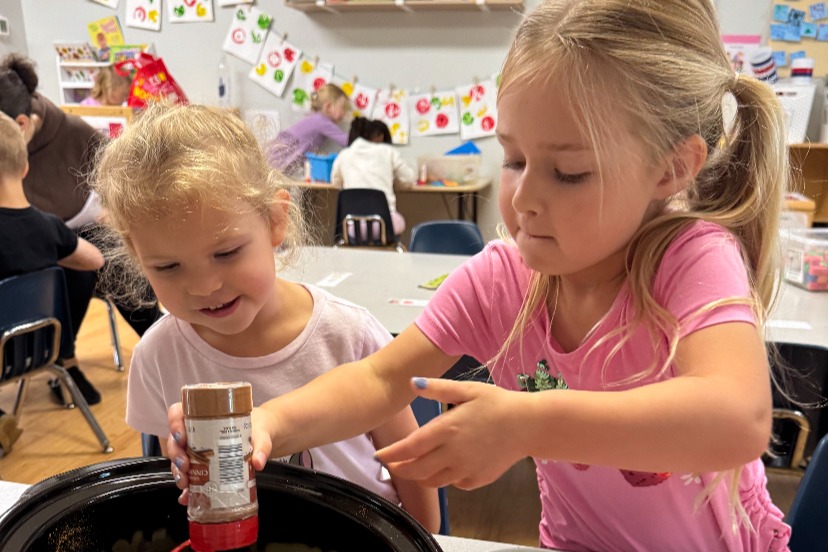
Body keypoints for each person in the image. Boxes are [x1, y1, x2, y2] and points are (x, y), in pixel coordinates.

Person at [168, 0, 792, 549]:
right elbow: (381, 378)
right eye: (515, 158)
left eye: (569, 172)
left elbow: (736, 420)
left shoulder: (691, 257)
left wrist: (525, 422)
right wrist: (268, 425)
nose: (522, 199)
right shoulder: (508, 279)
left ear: (671, 168)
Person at [91, 102, 440, 533]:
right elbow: (169, 464)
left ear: (276, 220)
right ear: (137, 254)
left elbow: (407, 457)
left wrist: (424, 534)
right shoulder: (157, 355)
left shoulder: (347, 334)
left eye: (226, 253)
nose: (203, 287)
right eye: (167, 267)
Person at [0, 53, 162, 403]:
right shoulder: (9, 149)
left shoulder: (73, 133)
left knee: (109, 257)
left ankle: (162, 340)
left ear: (23, 124)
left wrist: (114, 210)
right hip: (36, 250)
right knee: (74, 262)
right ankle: (65, 360)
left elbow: (124, 178)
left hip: (72, 238)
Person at [0, 112, 105, 453]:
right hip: (42, 349)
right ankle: (67, 365)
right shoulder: (48, 226)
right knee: (76, 266)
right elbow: (95, 260)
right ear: (26, 167)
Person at [331, 117, 415, 237]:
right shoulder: (388, 152)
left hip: (352, 226)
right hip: (384, 224)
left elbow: (335, 182)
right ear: (379, 136)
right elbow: (408, 179)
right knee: (398, 220)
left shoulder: (344, 154)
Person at [268, 83, 350, 176]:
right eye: (343, 108)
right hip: (282, 157)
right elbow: (346, 141)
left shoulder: (315, 118)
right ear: (328, 106)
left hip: (276, 154)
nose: (344, 114)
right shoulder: (323, 122)